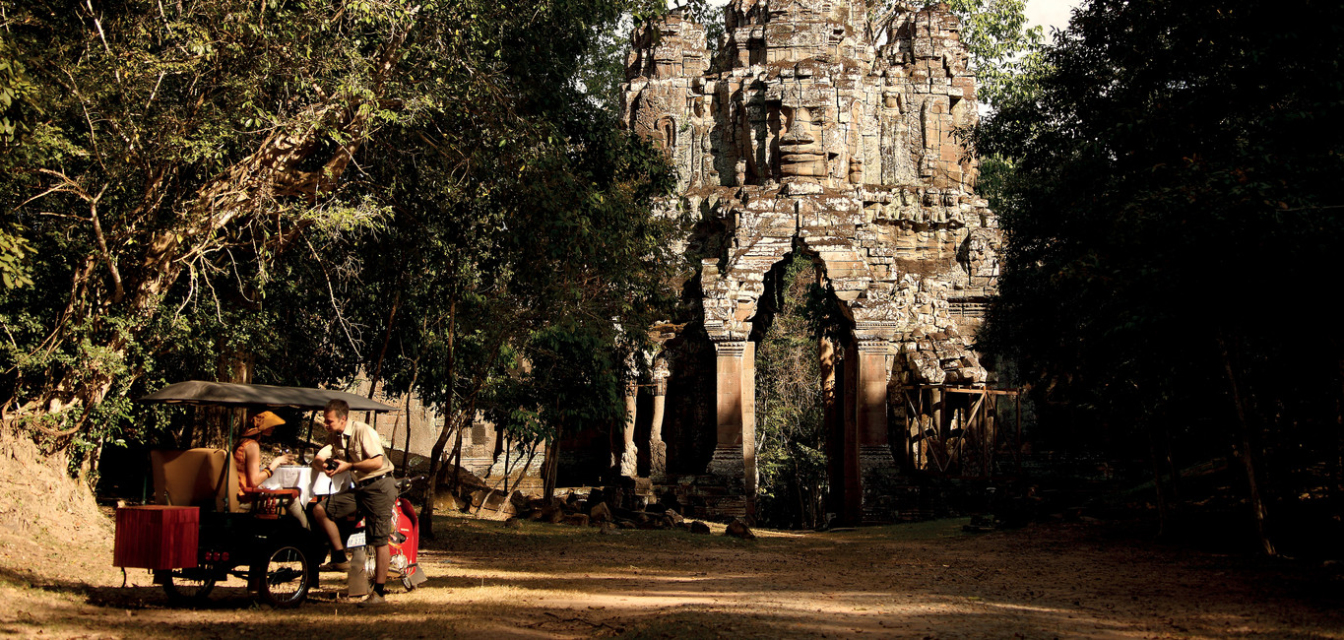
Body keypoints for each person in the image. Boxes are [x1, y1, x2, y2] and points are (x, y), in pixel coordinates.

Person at [311, 399, 395, 606]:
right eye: (324, 420)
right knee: (320, 510)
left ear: (343, 419)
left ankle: (379, 593)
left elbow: (376, 461)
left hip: (379, 485)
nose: (325, 424)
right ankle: (339, 557)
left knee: (379, 538)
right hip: (359, 489)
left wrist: (348, 465)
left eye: (329, 421)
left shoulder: (362, 431)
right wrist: (325, 465)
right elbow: (319, 457)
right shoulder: (335, 436)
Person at [233, 410, 305, 527]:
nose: (273, 427)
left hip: (244, 494)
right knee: (293, 498)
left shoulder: (243, 443)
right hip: (246, 500)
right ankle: (306, 534)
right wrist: (276, 462)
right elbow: (254, 481)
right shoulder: (252, 446)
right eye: (270, 424)